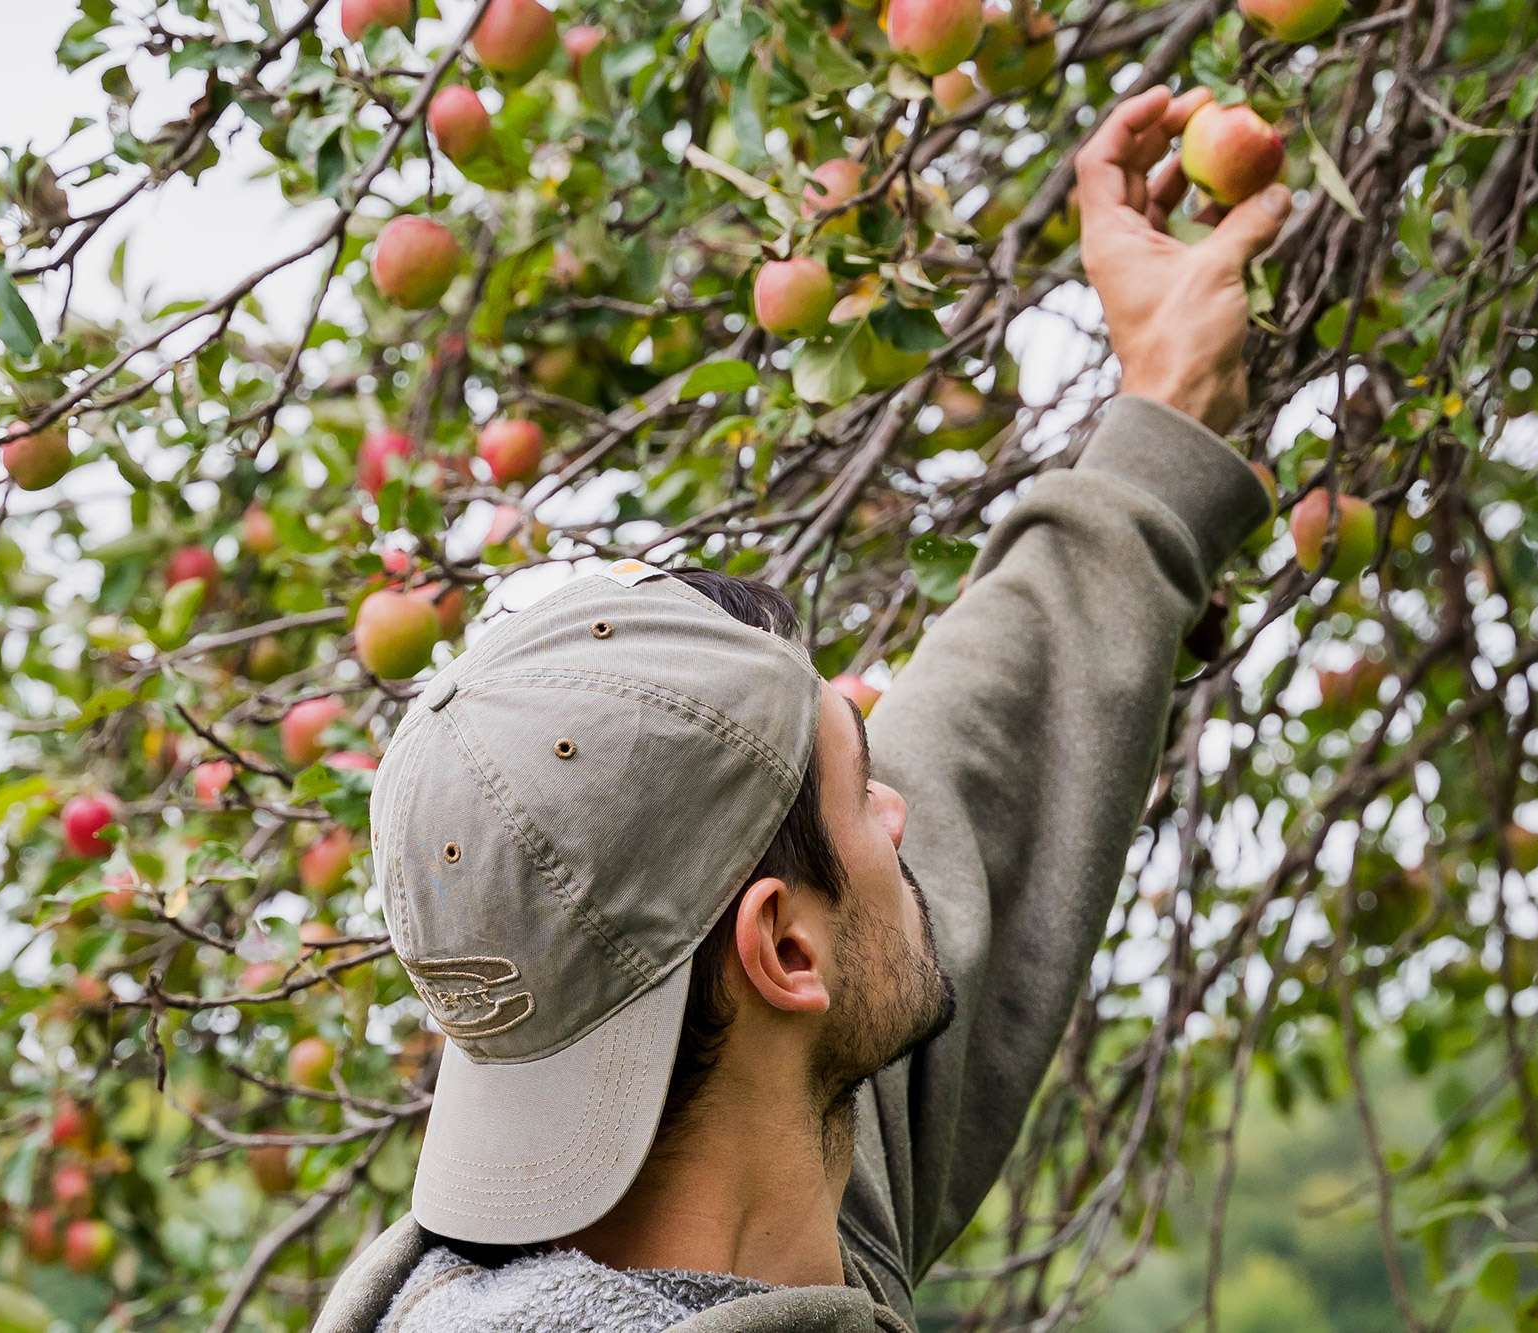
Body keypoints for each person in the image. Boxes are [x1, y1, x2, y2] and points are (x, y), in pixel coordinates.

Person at [313, 84, 1291, 1333]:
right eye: (860, 788)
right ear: (781, 950)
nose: (902, 812)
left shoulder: (763, 1197)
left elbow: (984, 774)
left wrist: (1160, 413)